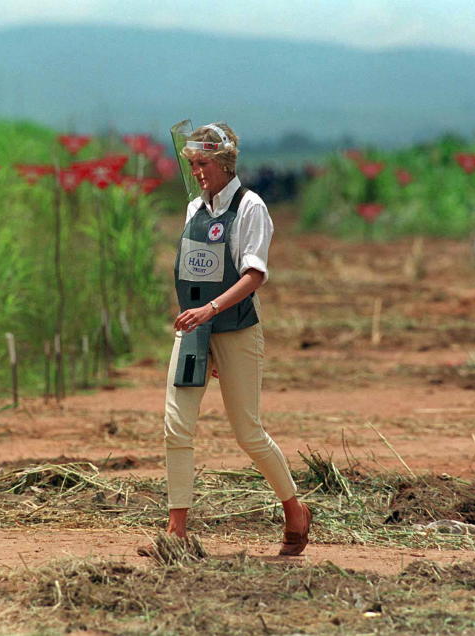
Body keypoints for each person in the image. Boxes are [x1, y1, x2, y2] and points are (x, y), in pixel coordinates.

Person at [151, 122, 310, 556]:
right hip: (193, 331)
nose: (198, 172)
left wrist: (213, 312)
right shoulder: (192, 209)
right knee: (176, 426)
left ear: (223, 163)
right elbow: (191, 270)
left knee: (247, 432)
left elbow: (254, 274)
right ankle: (176, 531)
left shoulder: (251, 207)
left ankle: (295, 509)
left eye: (203, 164)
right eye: (193, 164)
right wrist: (195, 319)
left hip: (236, 329)